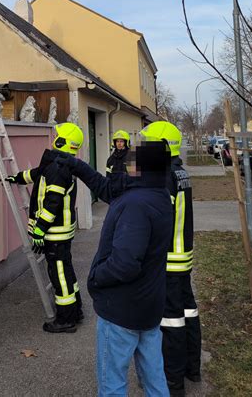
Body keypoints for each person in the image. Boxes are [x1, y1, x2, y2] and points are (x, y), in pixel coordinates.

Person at [57, 140, 172, 397]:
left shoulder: (135, 205)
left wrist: (96, 278)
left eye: (132, 161)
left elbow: (125, 264)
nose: (126, 165)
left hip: (123, 310)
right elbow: (107, 188)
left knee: (112, 384)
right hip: (149, 307)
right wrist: (76, 166)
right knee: (154, 378)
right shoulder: (156, 193)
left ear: (139, 169)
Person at [140, 122, 202, 397]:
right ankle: (192, 368)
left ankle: (172, 381)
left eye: (148, 143)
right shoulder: (179, 171)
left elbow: (155, 219)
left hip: (168, 261)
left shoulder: (163, 175)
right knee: (188, 312)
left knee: (170, 320)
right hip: (182, 255)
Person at [6, 123, 84, 333]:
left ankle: (66, 319)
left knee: (59, 273)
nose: (54, 136)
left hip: (55, 232)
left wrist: (39, 229)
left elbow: (52, 203)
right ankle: (75, 310)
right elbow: (38, 174)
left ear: (62, 141)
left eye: (57, 135)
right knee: (65, 270)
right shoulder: (57, 163)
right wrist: (18, 177)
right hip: (60, 230)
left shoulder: (59, 168)